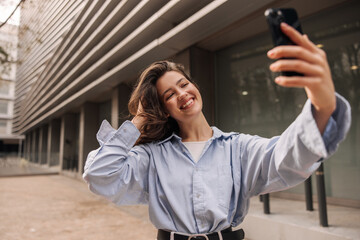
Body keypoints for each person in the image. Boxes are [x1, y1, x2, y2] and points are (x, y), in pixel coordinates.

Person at [83, 22, 351, 240]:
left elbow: (285, 158)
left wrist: (323, 105)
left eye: (184, 84)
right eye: (169, 94)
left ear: (194, 86)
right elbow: (100, 176)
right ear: (163, 110)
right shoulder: (151, 158)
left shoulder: (239, 148)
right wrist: (139, 120)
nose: (182, 94)